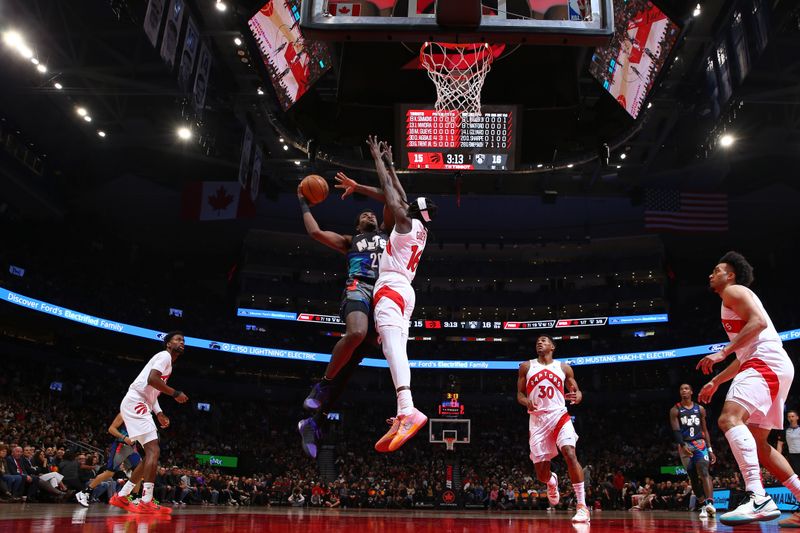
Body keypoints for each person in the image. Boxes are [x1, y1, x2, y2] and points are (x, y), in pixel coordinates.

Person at [296, 169, 394, 458]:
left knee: (353, 364)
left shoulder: (388, 234)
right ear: (357, 223)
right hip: (359, 288)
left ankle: (315, 420)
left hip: (385, 295)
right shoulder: (349, 241)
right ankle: (321, 387)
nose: (369, 215)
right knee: (356, 333)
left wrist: (359, 187)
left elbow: (389, 197)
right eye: (364, 215)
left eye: (371, 214)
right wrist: (303, 200)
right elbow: (314, 232)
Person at [697, 251, 798, 526]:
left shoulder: (734, 291)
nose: (711, 274)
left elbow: (759, 323)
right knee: (758, 444)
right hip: (769, 364)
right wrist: (716, 380)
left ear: (730, 275)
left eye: (717, 270)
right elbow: (743, 356)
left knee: (729, 419)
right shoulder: (730, 302)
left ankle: (758, 497)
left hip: (765, 361)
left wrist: (722, 352)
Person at [367, 135, 437, 453]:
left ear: (412, 211)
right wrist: (395, 165)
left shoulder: (406, 221)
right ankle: (403, 410)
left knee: (393, 349)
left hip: (392, 286)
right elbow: (402, 195)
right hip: (405, 291)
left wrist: (379, 161)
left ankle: (407, 408)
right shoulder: (419, 228)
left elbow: (391, 193)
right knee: (396, 351)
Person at [516, 334, 589, 523]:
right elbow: (519, 394)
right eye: (537, 341)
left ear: (552, 347)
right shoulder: (526, 366)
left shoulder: (564, 367)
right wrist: (526, 402)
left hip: (559, 415)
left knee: (570, 453)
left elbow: (575, 389)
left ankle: (582, 506)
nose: (539, 343)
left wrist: (578, 395)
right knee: (541, 475)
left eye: (544, 341)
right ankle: (551, 481)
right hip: (538, 420)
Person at [115, 331, 188, 515]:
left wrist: (160, 413)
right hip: (136, 400)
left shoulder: (167, 363)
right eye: (178, 339)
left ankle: (122, 496)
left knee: (150, 455)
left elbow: (153, 391)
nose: (182, 342)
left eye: (183, 340)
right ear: (168, 344)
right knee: (154, 450)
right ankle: (146, 500)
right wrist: (175, 393)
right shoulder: (164, 356)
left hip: (140, 402)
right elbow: (152, 380)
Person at [75, 413, 144, 507]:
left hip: (132, 447)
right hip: (120, 445)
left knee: (139, 471)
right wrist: (124, 437)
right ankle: (84, 492)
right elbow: (111, 429)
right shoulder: (124, 413)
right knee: (109, 473)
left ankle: (135, 499)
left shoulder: (140, 418)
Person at [669, 383, 716, 517]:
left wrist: (710, 448)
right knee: (693, 477)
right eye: (681, 389)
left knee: (704, 471)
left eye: (686, 389)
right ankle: (702, 505)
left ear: (691, 392)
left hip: (700, 443)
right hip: (685, 444)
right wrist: (683, 446)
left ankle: (710, 504)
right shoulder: (675, 409)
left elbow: (705, 430)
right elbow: (676, 431)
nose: (683, 391)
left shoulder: (700, 409)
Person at [777, 410, 800, 475]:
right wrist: (779, 457)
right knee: (796, 473)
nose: (791, 418)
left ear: (797, 417)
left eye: (793, 416)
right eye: (789, 417)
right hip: (793, 456)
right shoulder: (785, 431)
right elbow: (780, 444)